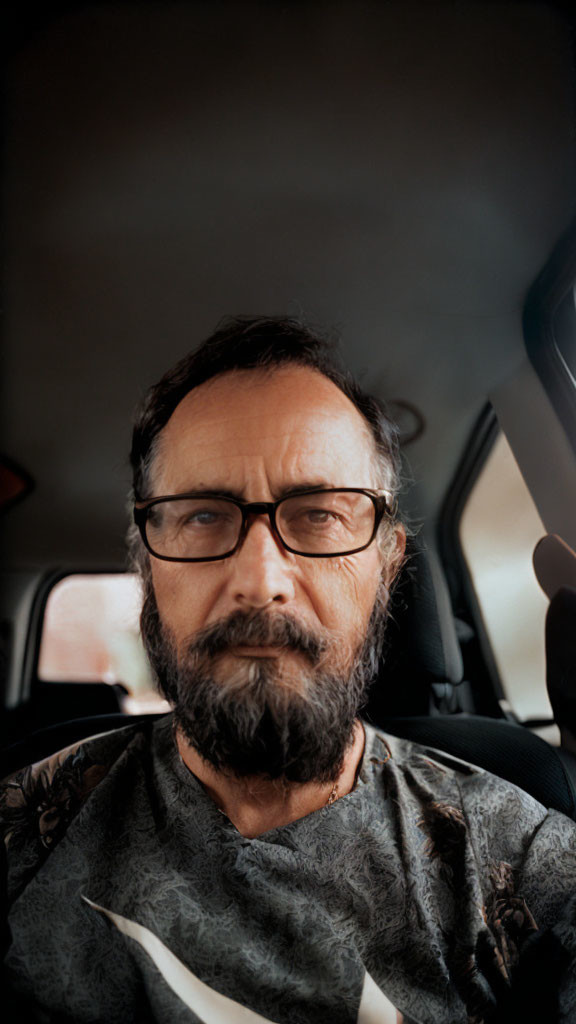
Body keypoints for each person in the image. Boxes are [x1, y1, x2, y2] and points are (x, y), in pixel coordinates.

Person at [1, 315, 576, 1024]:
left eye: (320, 515)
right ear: (148, 564)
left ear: (388, 562)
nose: (261, 579)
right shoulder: (23, 831)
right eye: (203, 516)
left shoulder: (522, 860)